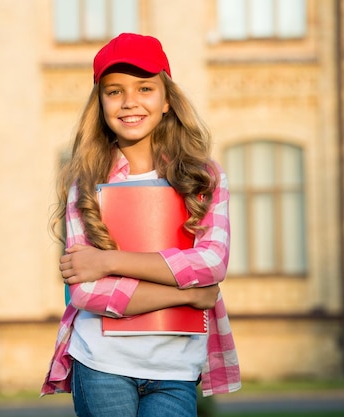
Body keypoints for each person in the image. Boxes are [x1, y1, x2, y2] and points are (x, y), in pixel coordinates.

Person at [41, 33, 241, 417]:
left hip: (175, 368)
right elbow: (85, 292)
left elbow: (212, 264)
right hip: (102, 364)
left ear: (167, 100)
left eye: (144, 88)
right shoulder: (86, 181)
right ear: (100, 104)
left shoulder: (203, 178)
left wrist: (110, 261)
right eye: (114, 91)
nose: (130, 101)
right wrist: (188, 294)